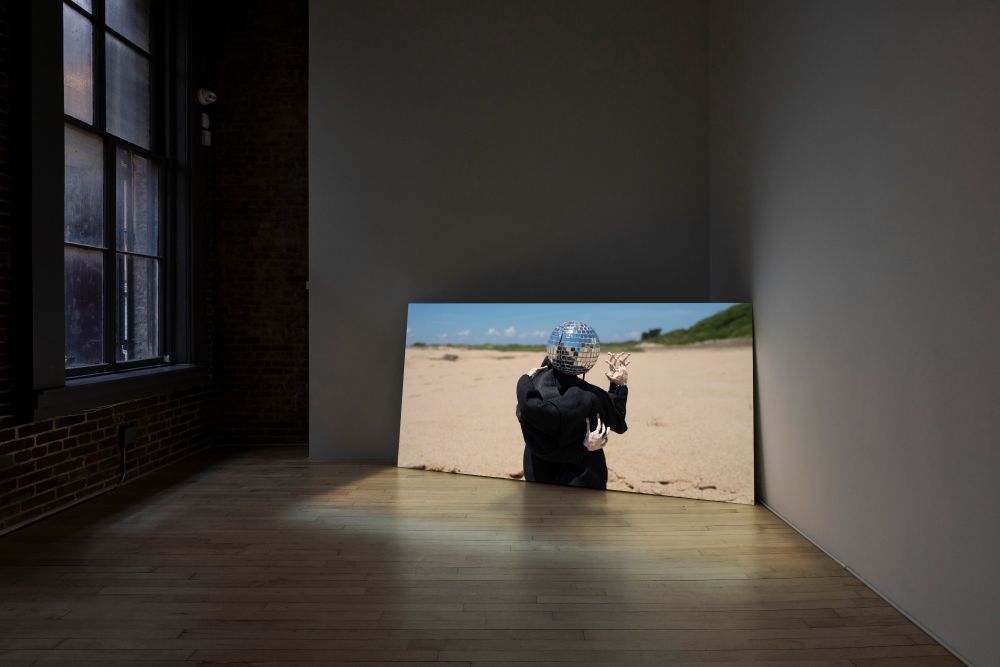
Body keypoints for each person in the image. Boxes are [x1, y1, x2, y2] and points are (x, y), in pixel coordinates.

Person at [515, 323, 630, 489]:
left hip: (537, 471)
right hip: (580, 478)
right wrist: (618, 385)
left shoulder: (532, 384)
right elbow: (617, 420)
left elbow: (531, 417)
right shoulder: (591, 397)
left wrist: (524, 379)